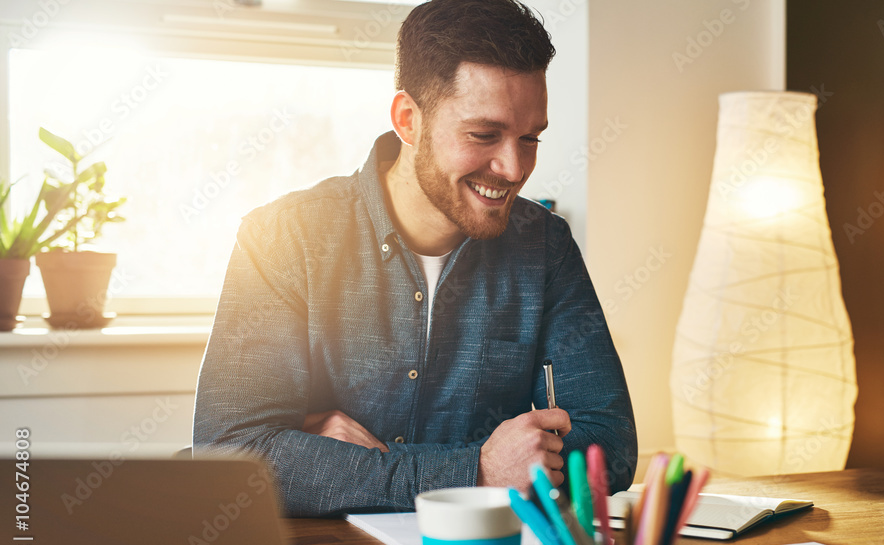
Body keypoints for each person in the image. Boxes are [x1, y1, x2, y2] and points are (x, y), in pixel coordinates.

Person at [193, 0, 637, 516]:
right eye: (483, 135)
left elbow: (612, 445)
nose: (515, 168)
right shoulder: (282, 237)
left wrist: (328, 462)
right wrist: (479, 469)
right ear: (408, 119)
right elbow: (231, 455)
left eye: (530, 138)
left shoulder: (545, 246)